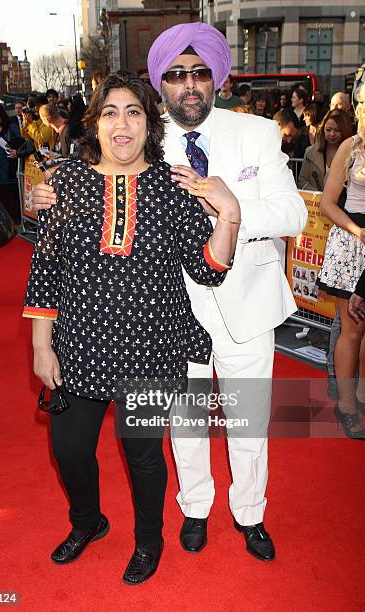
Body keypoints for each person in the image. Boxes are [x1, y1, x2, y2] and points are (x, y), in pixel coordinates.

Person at [30, 22, 307, 562]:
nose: (188, 84)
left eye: (199, 72)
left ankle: (251, 515)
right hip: (172, 319)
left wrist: (228, 210)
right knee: (183, 430)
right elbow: (97, 166)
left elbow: (294, 212)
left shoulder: (255, 134)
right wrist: (47, 196)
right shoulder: (141, 129)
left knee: (247, 421)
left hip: (244, 305)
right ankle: (195, 511)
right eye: (176, 74)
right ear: (162, 83)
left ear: (216, 78)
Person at [23, 71, 239, 584]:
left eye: (135, 112)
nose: (122, 124)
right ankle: (88, 521)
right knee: (69, 450)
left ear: (150, 125)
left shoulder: (173, 184)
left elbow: (207, 266)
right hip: (78, 347)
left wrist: (228, 215)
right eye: (111, 113)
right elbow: (47, 268)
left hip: (149, 352)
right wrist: (40, 343)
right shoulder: (66, 183)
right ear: (95, 125)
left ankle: (148, 540)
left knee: (142, 455)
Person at [317, 84, 365, 439]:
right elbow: (327, 203)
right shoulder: (350, 148)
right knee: (353, 329)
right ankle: (347, 405)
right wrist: (356, 230)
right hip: (353, 244)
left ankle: (361, 396)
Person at [298, 109, 352, 191]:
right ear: (323, 128)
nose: (332, 134)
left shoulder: (353, 154)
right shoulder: (310, 152)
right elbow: (302, 181)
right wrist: (318, 195)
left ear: (345, 130)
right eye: (328, 130)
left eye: (337, 130)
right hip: (315, 202)